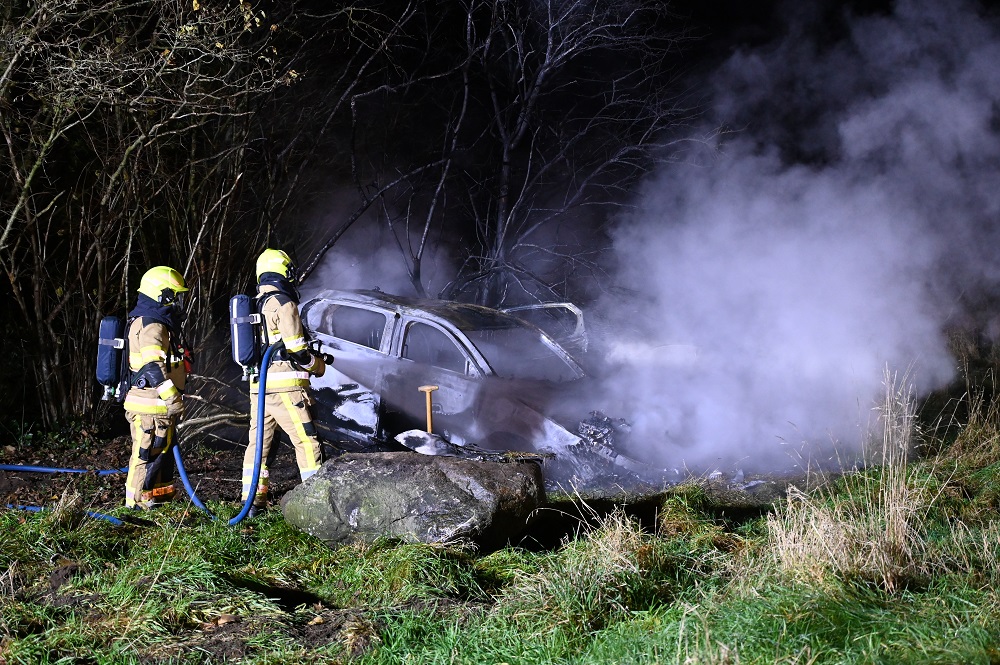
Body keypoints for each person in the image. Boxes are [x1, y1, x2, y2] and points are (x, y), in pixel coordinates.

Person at [241, 248, 327, 516]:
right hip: (287, 388)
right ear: (283, 272)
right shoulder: (283, 303)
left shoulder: (256, 303)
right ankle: (317, 502)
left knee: (259, 446)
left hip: (260, 387)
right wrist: (318, 365)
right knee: (306, 440)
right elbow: (298, 351)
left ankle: (252, 501)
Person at [122, 266, 190, 509]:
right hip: (150, 406)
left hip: (157, 407)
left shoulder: (155, 321)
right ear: (163, 295)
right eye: (174, 295)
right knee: (144, 454)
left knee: (159, 454)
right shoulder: (152, 325)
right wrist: (172, 397)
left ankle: (158, 500)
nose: (177, 302)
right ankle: (134, 504)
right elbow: (153, 365)